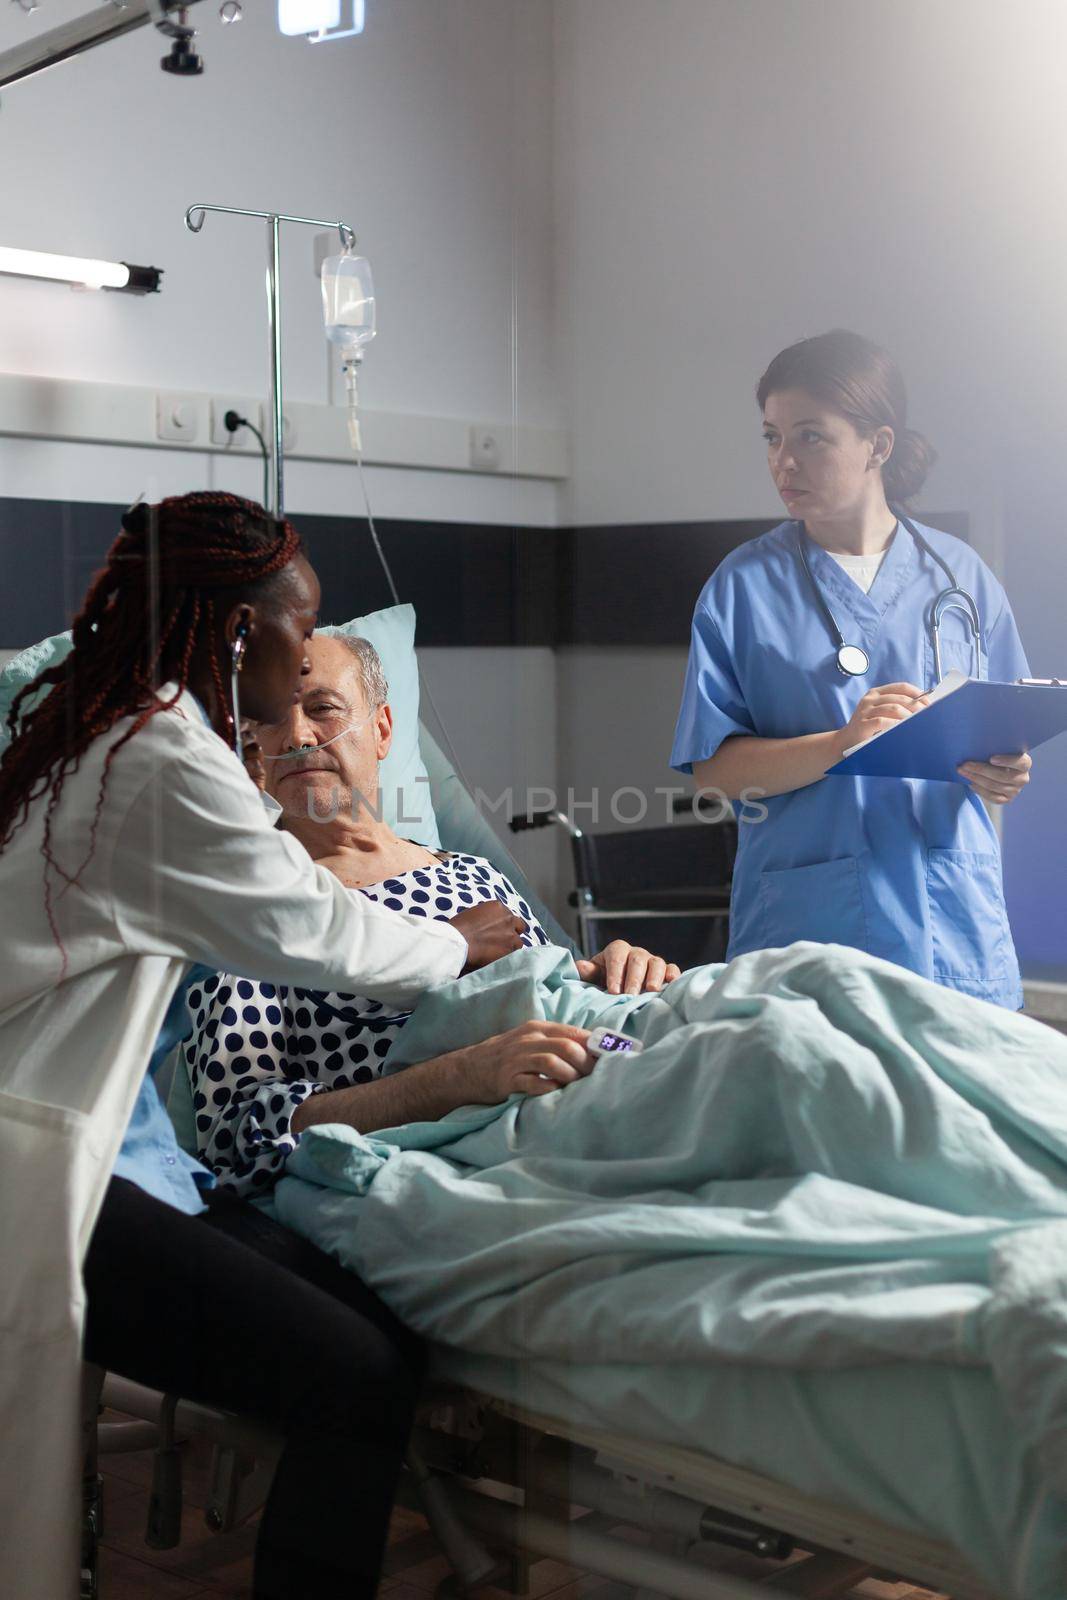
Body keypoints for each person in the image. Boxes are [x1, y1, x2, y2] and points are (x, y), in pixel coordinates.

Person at [0, 492, 565, 1600]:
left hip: (121, 1148)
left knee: (378, 1333)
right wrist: (453, 952)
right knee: (352, 1374)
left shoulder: (105, 723)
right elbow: (310, 932)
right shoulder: (159, 755)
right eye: (296, 646)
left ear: (384, 729)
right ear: (242, 636)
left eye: (333, 705)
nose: (302, 719)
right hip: (49, 1163)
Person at [191, 631, 681, 1196]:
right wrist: (459, 1077)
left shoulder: (474, 875)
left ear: (381, 730)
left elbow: (556, 992)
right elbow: (235, 1137)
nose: (298, 735)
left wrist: (624, 974)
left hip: (603, 1068)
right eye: (272, 718)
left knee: (768, 1016)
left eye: (322, 708)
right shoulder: (252, 910)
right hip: (493, 1147)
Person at [671, 330, 1031, 1008]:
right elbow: (715, 770)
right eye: (772, 437)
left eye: (810, 437)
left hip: (950, 919)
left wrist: (1004, 770)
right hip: (811, 923)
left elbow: (1001, 730)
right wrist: (840, 744)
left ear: (878, 445)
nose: (784, 461)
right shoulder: (742, 587)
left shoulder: (961, 578)